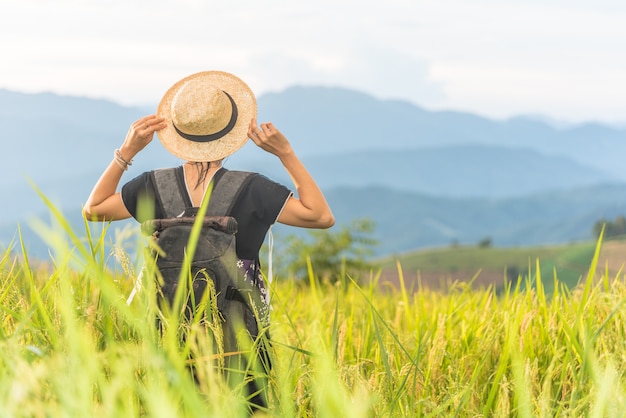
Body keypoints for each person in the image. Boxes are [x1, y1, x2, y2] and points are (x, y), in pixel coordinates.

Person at [82, 70, 335, 411]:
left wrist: (125, 153)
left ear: (176, 130)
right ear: (232, 131)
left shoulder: (151, 185)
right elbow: (320, 217)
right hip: (239, 333)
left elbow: (93, 210)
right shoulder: (253, 188)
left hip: (169, 328)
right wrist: (285, 153)